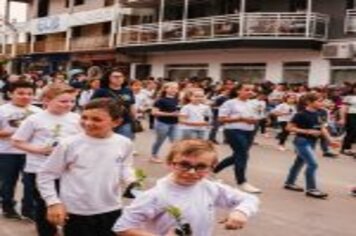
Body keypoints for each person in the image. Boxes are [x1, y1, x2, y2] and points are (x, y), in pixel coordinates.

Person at [113, 139, 259, 236]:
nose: (191, 172)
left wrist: (241, 212)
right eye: (184, 165)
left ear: (212, 167)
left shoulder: (209, 187)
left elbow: (249, 198)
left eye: (201, 167)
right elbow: (122, 228)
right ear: (170, 163)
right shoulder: (154, 196)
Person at [37, 98, 137, 236]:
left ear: (116, 122)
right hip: (78, 211)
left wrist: (130, 180)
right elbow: (46, 174)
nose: (88, 123)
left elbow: (125, 166)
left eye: (97, 119)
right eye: (84, 117)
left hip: (111, 207)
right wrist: (53, 202)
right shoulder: (69, 144)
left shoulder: (124, 143)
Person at [11, 83, 82, 236]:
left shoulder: (77, 118)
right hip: (39, 169)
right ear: (47, 100)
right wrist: (40, 150)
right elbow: (17, 141)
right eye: (63, 101)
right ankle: (48, 232)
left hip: (68, 170)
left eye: (72, 101)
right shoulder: (34, 119)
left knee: (69, 204)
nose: (68, 105)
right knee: (45, 205)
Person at [284, 93, 340, 199]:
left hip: (312, 142)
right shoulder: (300, 114)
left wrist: (330, 141)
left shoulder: (320, 113)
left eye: (322, 101)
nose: (322, 103)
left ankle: (289, 182)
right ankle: (312, 189)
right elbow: (289, 128)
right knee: (313, 164)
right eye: (319, 101)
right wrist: (307, 131)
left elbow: (322, 128)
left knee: (299, 163)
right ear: (309, 102)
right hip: (301, 141)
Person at [0, 80, 42, 219]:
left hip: (30, 153)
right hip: (7, 152)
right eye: (21, 93)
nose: (25, 96)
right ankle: (8, 207)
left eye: (30, 94)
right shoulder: (3, 110)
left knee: (30, 184)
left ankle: (29, 210)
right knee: (8, 182)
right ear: (10, 94)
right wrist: (19, 131)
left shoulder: (38, 112)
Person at [213, 83, 261, 194]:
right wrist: (240, 118)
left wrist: (256, 120)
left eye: (251, 90)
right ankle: (242, 182)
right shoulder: (229, 103)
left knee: (237, 155)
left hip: (249, 131)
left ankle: (213, 170)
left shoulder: (254, 103)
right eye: (247, 89)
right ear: (238, 91)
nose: (250, 92)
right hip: (233, 131)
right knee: (243, 155)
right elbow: (221, 119)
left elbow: (257, 117)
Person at [91, 69, 136, 140]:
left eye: (121, 76)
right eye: (115, 77)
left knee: (125, 142)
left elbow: (131, 105)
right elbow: (92, 106)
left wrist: (134, 118)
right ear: (109, 78)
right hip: (106, 122)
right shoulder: (101, 91)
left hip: (125, 121)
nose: (119, 79)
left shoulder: (128, 90)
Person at [150, 82, 180, 163]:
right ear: (166, 89)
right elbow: (154, 112)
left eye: (176, 88)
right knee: (160, 140)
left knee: (175, 141)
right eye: (172, 88)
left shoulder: (178, 100)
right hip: (162, 123)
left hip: (175, 123)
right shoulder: (160, 100)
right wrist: (170, 114)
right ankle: (154, 155)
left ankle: (174, 158)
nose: (174, 90)